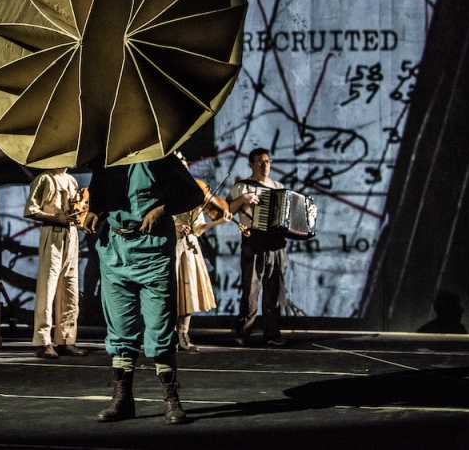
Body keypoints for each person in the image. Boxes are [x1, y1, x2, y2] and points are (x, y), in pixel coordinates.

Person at [83, 155, 204, 425]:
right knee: (120, 329)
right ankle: (122, 398)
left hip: (154, 252)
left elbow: (194, 194)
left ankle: (170, 398)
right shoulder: (106, 158)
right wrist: (94, 211)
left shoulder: (161, 156)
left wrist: (162, 208)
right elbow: (99, 194)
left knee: (160, 327)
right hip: (115, 251)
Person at [227, 148, 315, 347]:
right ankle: (243, 334)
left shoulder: (278, 187)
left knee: (274, 294)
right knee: (250, 293)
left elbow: (290, 220)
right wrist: (243, 200)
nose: (265, 165)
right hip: (253, 243)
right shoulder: (241, 187)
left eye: (267, 161)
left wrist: (309, 215)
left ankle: (272, 334)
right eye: (260, 162)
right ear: (252, 164)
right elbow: (225, 212)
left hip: (276, 245)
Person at [24, 168, 87, 359]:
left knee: (70, 289)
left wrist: (81, 210)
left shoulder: (72, 180)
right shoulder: (44, 179)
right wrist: (55, 217)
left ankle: (66, 340)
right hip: (53, 233)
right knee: (47, 288)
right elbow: (31, 210)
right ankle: (43, 342)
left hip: (71, 234)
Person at [173, 152, 233, 352]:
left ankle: (183, 336)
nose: (184, 168)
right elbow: (157, 220)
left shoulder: (194, 192)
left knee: (188, 293)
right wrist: (176, 228)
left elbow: (198, 228)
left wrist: (218, 221)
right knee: (171, 294)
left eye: (185, 164)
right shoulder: (166, 190)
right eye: (179, 165)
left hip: (190, 249)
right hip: (172, 247)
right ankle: (168, 337)